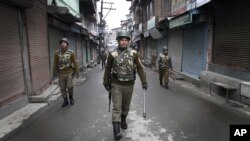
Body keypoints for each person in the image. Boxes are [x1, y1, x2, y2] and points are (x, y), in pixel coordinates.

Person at [103, 30, 148, 140]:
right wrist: (105, 81)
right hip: (116, 84)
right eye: (121, 40)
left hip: (129, 85)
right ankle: (116, 131)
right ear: (118, 41)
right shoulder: (112, 54)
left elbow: (139, 68)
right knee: (117, 107)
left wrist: (144, 81)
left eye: (126, 40)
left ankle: (123, 119)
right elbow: (108, 68)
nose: (124, 42)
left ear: (128, 41)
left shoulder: (134, 53)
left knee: (125, 107)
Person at [53, 37, 79, 107]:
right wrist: (53, 72)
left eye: (64, 43)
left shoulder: (71, 52)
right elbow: (55, 63)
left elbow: (75, 62)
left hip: (69, 72)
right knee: (62, 88)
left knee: (70, 86)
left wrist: (77, 71)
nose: (63, 44)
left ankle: (71, 98)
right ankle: (65, 100)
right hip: (61, 73)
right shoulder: (57, 53)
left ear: (67, 44)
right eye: (61, 43)